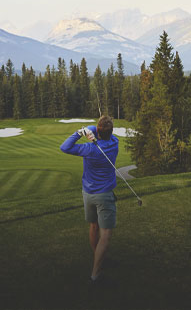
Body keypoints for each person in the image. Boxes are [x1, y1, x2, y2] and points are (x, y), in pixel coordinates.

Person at [60, 115, 118, 284]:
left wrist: (82, 131)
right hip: (105, 195)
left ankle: (97, 258)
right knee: (106, 234)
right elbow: (102, 130)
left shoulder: (89, 148)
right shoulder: (114, 143)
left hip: (88, 194)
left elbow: (64, 147)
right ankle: (95, 273)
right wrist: (92, 132)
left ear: (98, 131)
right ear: (111, 132)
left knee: (94, 226)